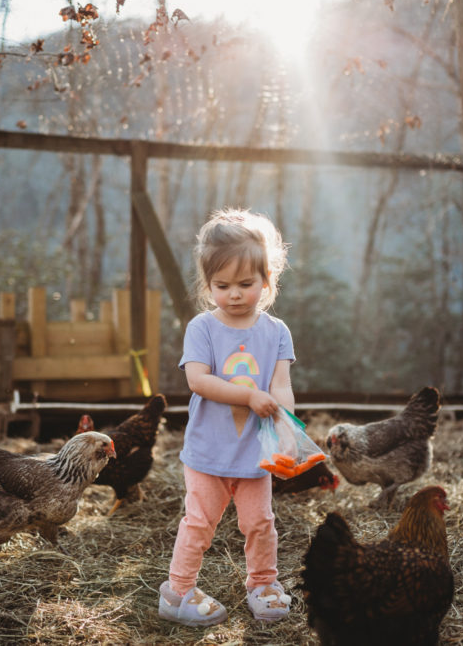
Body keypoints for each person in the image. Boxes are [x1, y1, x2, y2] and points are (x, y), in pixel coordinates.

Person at [159, 208, 295, 627]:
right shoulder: (202, 328)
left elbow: (280, 385)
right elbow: (199, 381)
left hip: (255, 454)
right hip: (207, 452)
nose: (234, 294)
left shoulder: (276, 332)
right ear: (207, 285)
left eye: (246, 284)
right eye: (222, 285)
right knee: (199, 523)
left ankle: (263, 584)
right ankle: (178, 591)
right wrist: (249, 396)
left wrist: (286, 425)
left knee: (260, 523)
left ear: (267, 280)